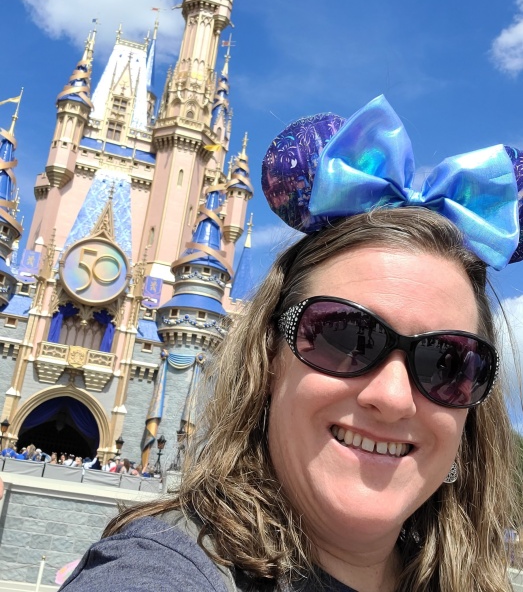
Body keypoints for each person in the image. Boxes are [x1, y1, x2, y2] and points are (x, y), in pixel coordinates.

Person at [59, 96, 523, 592]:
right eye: (344, 335)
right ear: (268, 358)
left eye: (447, 363)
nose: (391, 396)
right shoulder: (164, 569)